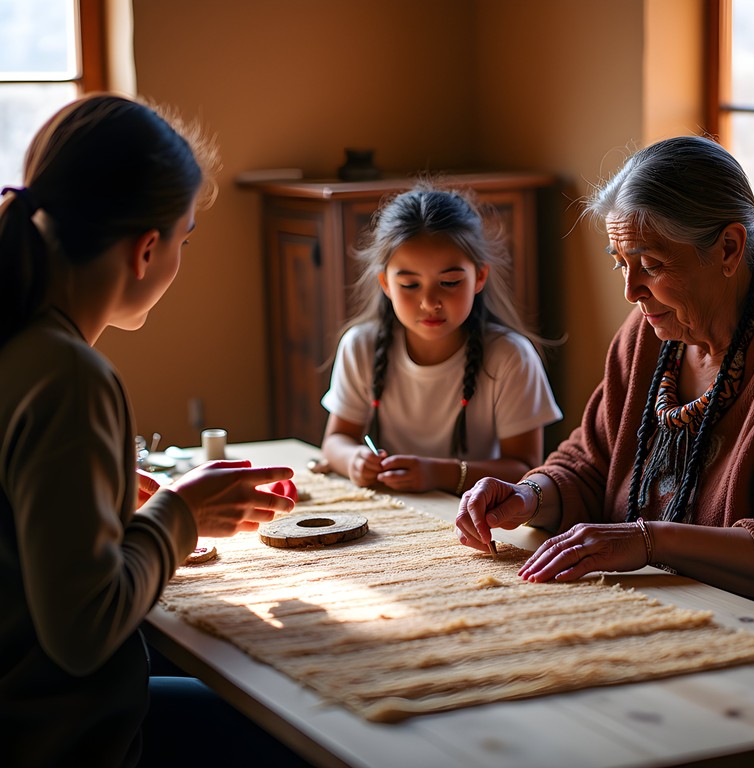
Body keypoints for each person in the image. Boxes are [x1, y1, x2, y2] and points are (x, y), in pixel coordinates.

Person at [0, 95, 307, 767]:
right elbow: (83, 632)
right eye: (185, 238)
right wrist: (179, 515)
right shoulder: (68, 375)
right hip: (56, 742)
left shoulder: (19, 338)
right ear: (146, 249)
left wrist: (109, 509)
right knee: (304, 726)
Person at [457, 135, 754, 611]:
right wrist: (528, 496)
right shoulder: (654, 330)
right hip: (635, 609)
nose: (631, 290)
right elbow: (590, 461)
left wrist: (649, 542)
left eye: (650, 264)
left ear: (730, 248)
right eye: (620, 264)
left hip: (746, 632)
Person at [320, 182, 562, 495]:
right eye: (409, 285)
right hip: (394, 512)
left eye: (449, 282)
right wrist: (354, 459)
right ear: (385, 284)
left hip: (474, 514)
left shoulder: (510, 356)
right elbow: (335, 441)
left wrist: (439, 474)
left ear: (479, 277)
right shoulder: (360, 346)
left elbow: (524, 468)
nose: (429, 302)